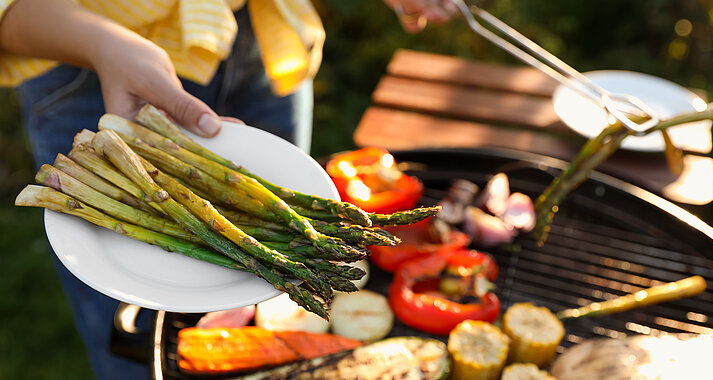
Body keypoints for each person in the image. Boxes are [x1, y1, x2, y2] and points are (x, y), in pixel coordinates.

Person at [0, 0, 455, 378]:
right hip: (76, 48)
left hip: (262, 29)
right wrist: (103, 46)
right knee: (128, 342)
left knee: (259, 275)